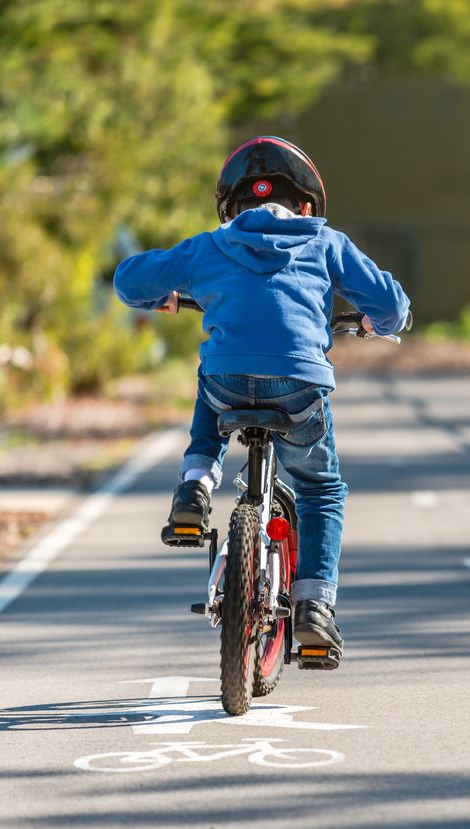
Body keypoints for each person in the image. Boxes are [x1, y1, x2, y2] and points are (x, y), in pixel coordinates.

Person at [112, 136, 411, 661]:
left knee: (214, 371)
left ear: (232, 209)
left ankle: (195, 484)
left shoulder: (211, 245)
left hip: (227, 386)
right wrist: (376, 322)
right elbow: (391, 304)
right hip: (299, 388)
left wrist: (166, 295)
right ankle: (315, 608)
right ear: (306, 206)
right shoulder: (325, 242)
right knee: (321, 489)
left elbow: (128, 280)